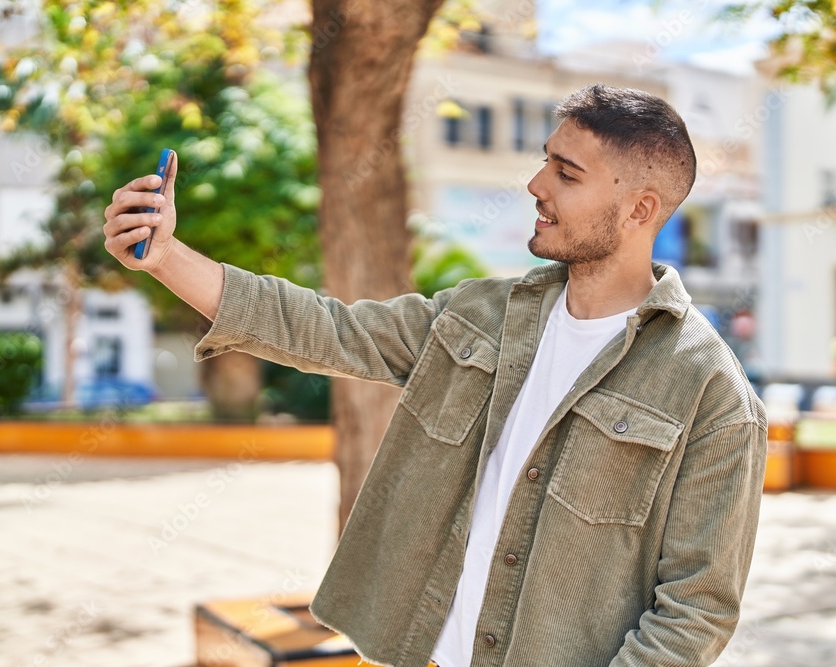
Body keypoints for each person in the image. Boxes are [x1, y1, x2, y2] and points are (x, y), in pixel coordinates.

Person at [103, 84, 768, 667]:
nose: (536, 184)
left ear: (640, 210)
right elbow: (324, 327)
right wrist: (166, 258)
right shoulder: (480, 314)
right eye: (545, 161)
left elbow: (694, 608)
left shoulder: (709, 392)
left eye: (566, 173)